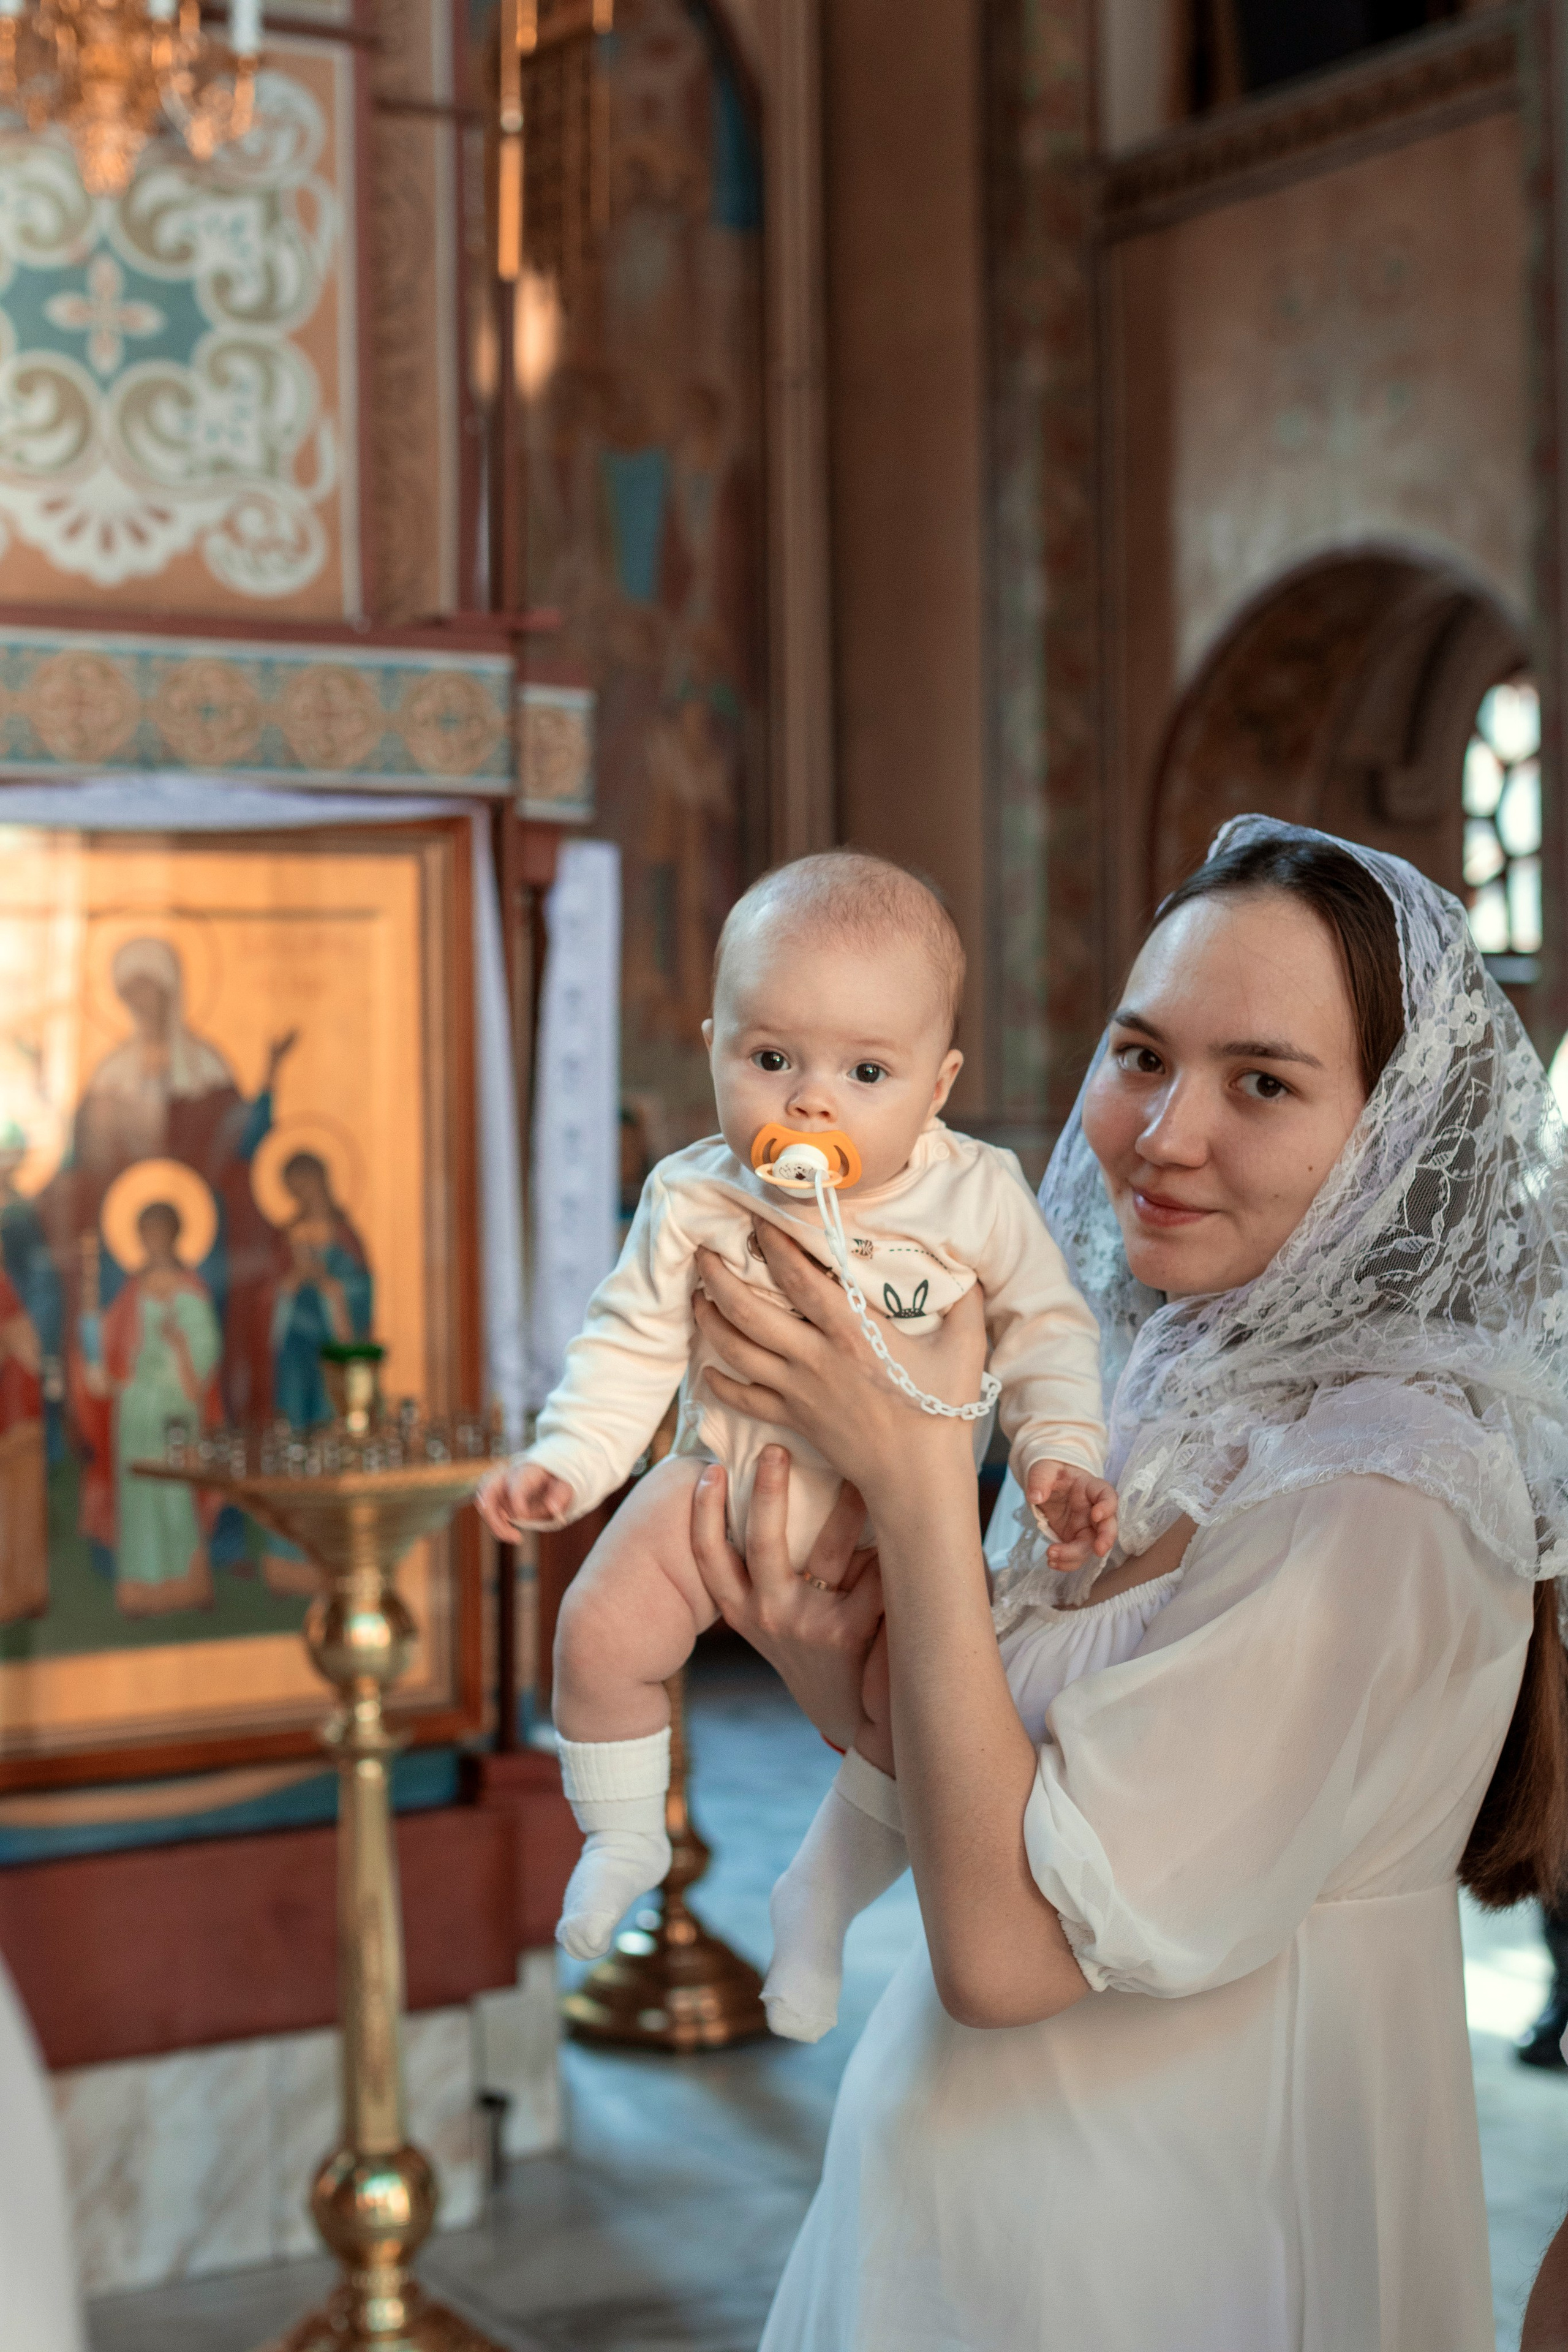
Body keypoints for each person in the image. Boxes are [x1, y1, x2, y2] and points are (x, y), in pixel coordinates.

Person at [685, 816, 1568, 2351]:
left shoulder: (1380, 1495)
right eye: (1138, 1052)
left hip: (1170, 2249)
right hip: (954, 2221)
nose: (1160, 1132)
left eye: (1261, 1082)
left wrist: (907, 1485)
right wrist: (838, 1672)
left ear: (1396, 1143)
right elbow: (1009, 1787)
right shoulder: (1168, 1393)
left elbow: (1010, 1953)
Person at [479, 852, 1115, 2021]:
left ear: (938, 1083)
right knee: (598, 1632)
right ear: (718, 1043)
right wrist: (567, 1465)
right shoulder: (696, 1196)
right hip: (715, 1483)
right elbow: (625, 1346)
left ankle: (816, 1905)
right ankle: (623, 1841)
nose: (810, 1103)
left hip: (888, 1526)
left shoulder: (976, 1194)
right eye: (772, 1060)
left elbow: (1046, 1335)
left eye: (867, 1070)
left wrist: (1057, 1456)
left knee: (906, 1717)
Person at [98, 1200, 223, 1616]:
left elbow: (206, 1353)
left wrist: (179, 1345)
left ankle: (185, 1584)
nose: (152, 1241)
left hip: (174, 1404)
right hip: (134, 1405)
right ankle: (142, 1589)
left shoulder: (190, 1290)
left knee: (173, 1488)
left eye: (159, 1231)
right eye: (144, 1232)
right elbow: (110, 1347)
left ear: (174, 1234)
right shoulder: (132, 1290)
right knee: (137, 1493)